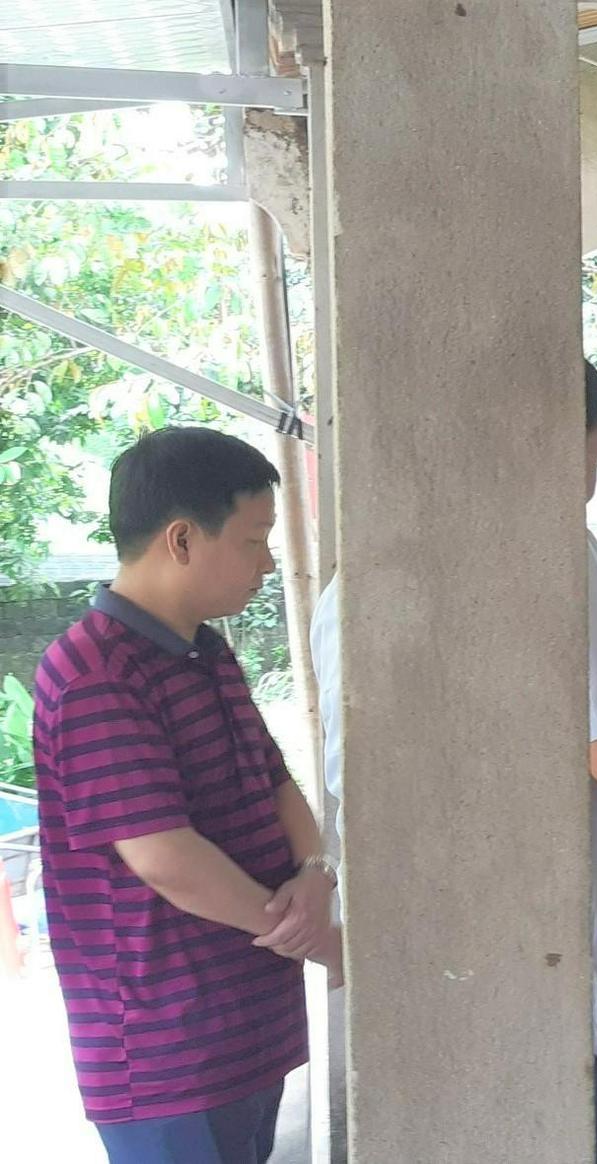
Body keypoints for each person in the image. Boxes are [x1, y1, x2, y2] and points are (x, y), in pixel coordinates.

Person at [306, 362, 597, 1164]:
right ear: (569, 436)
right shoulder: (541, 541)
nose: (593, 473)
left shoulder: (372, 556)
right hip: (529, 964)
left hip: (420, 958)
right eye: (595, 451)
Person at [33, 427, 338, 1164]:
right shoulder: (96, 675)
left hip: (240, 1025)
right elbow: (165, 858)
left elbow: (272, 779)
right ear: (181, 539)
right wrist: (313, 936)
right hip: (166, 1052)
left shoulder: (203, 646)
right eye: (253, 538)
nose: (268, 562)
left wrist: (313, 871)